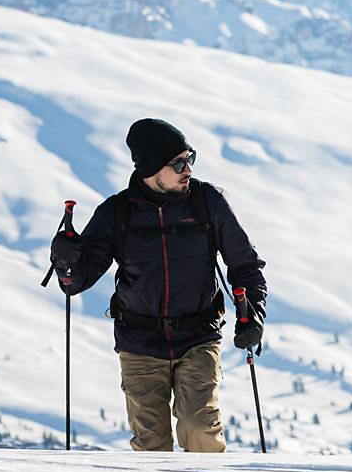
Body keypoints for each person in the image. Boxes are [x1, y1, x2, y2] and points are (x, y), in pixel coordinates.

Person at [52, 118, 267, 452]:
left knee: (200, 430)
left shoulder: (206, 202)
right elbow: (75, 281)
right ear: (152, 168)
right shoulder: (117, 212)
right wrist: (65, 258)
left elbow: (245, 264)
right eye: (179, 163)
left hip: (198, 336)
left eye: (190, 159)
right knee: (151, 447)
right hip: (139, 342)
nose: (188, 170)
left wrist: (253, 314)